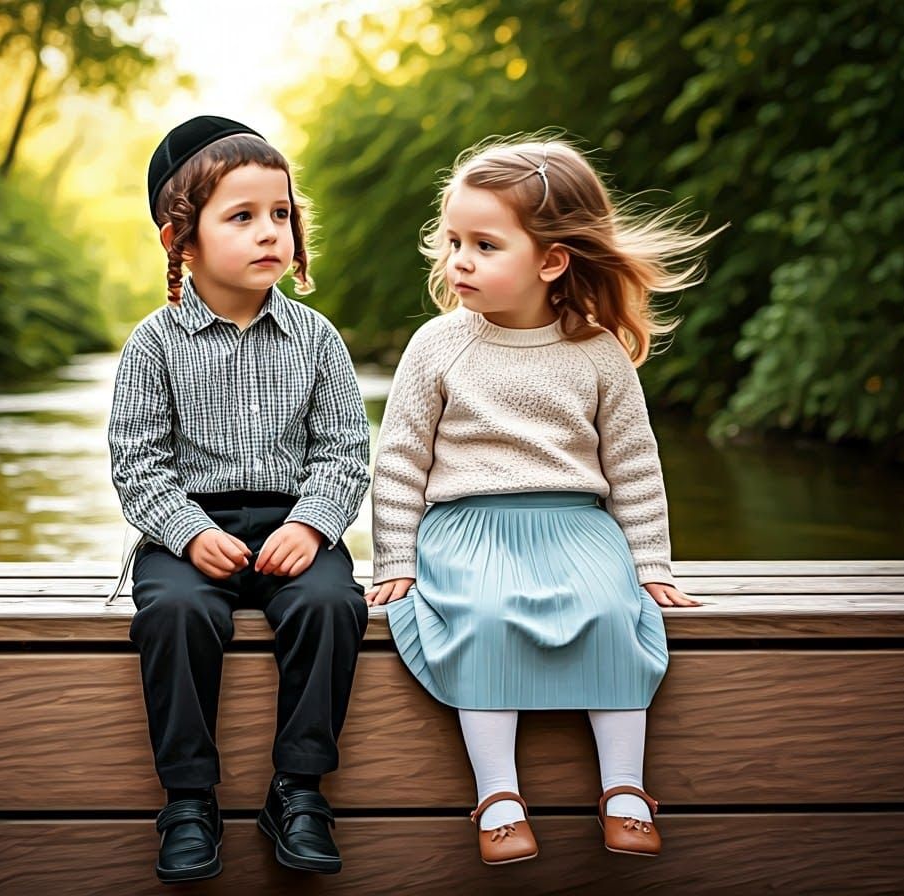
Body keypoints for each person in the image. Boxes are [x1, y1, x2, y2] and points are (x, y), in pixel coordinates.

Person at [367, 135, 718, 864]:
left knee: (615, 612)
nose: (457, 260)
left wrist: (651, 563)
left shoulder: (596, 352)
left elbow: (633, 464)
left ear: (551, 260)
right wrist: (394, 557)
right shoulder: (438, 346)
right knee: (484, 616)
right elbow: (400, 460)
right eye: (453, 240)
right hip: (467, 529)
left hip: (576, 526)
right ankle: (498, 794)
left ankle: (624, 789)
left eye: (484, 245)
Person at [109, 115, 370, 883]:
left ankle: (298, 790)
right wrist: (187, 533)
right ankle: (188, 800)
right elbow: (137, 463)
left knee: (332, 606)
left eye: (281, 215)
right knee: (176, 612)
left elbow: (346, 453)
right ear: (179, 242)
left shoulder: (317, 339)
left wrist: (314, 523)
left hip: (294, 523)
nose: (270, 233)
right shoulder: (153, 345)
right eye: (243, 217)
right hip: (190, 532)